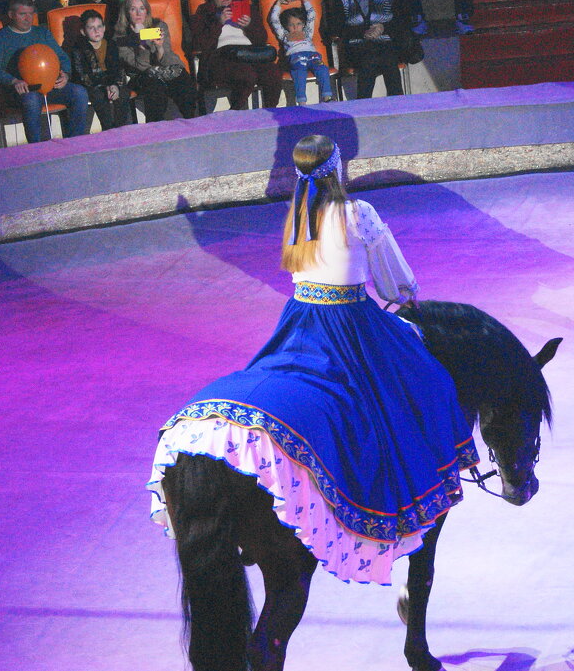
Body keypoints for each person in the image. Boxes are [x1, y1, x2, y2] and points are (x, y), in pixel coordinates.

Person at [148, 133, 479, 583]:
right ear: (337, 168)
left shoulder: (297, 218)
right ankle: (419, 488)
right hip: (349, 323)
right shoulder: (358, 213)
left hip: (302, 321)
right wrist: (406, 295)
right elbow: (394, 281)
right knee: (426, 381)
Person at [0, 0, 91, 143]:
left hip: (49, 84)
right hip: (22, 90)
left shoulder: (42, 33)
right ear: (11, 15)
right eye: (22, 14)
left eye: (31, 14)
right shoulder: (0, 38)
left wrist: (65, 74)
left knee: (79, 93)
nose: (28, 18)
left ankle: (75, 142)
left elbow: (62, 57)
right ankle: (37, 147)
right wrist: (13, 81)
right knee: (32, 99)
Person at [189, 0, 283, 109]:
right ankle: (236, 111)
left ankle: (270, 112)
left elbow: (262, 39)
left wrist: (249, 25)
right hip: (222, 56)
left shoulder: (247, 8)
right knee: (246, 75)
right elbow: (200, 45)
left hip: (251, 52)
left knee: (273, 73)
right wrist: (218, 23)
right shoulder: (204, 13)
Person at [114, 0, 198, 121]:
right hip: (141, 76)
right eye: (133, 9)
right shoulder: (121, 37)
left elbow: (168, 58)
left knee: (182, 79)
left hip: (164, 68)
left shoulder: (158, 25)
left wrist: (159, 48)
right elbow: (140, 66)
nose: (138, 13)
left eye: (142, 8)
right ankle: (156, 129)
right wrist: (141, 41)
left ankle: (193, 122)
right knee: (154, 86)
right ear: (126, 12)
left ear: (146, 10)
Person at [332, 0, 405, 99]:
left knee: (388, 56)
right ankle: (364, 104)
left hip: (385, 41)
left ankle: (398, 104)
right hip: (356, 44)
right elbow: (336, 28)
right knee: (370, 58)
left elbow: (401, 20)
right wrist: (363, 33)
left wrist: (383, 28)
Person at [67, 9, 135, 131]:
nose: (96, 31)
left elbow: (117, 68)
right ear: (83, 31)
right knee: (99, 96)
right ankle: (108, 129)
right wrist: (105, 86)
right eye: (91, 28)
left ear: (104, 28)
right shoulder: (78, 48)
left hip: (110, 81)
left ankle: (121, 129)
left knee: (123, 93)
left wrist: (114, 85)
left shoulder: (111, 44)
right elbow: (82, 75)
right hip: (92, 84)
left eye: (99, 26)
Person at [268, 0, 334, 105]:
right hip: (296, 57)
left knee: (322, 68)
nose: (295, 27)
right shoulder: (284, 35)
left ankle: (327, 97)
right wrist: (278, 4)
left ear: (303, 24)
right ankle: (301, 101)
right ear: (286, 26)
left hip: (312, 55)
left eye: (298, 24)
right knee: (299, 72)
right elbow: (274, 19)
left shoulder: (307, 33)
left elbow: (311, 14)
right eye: (291, 24)